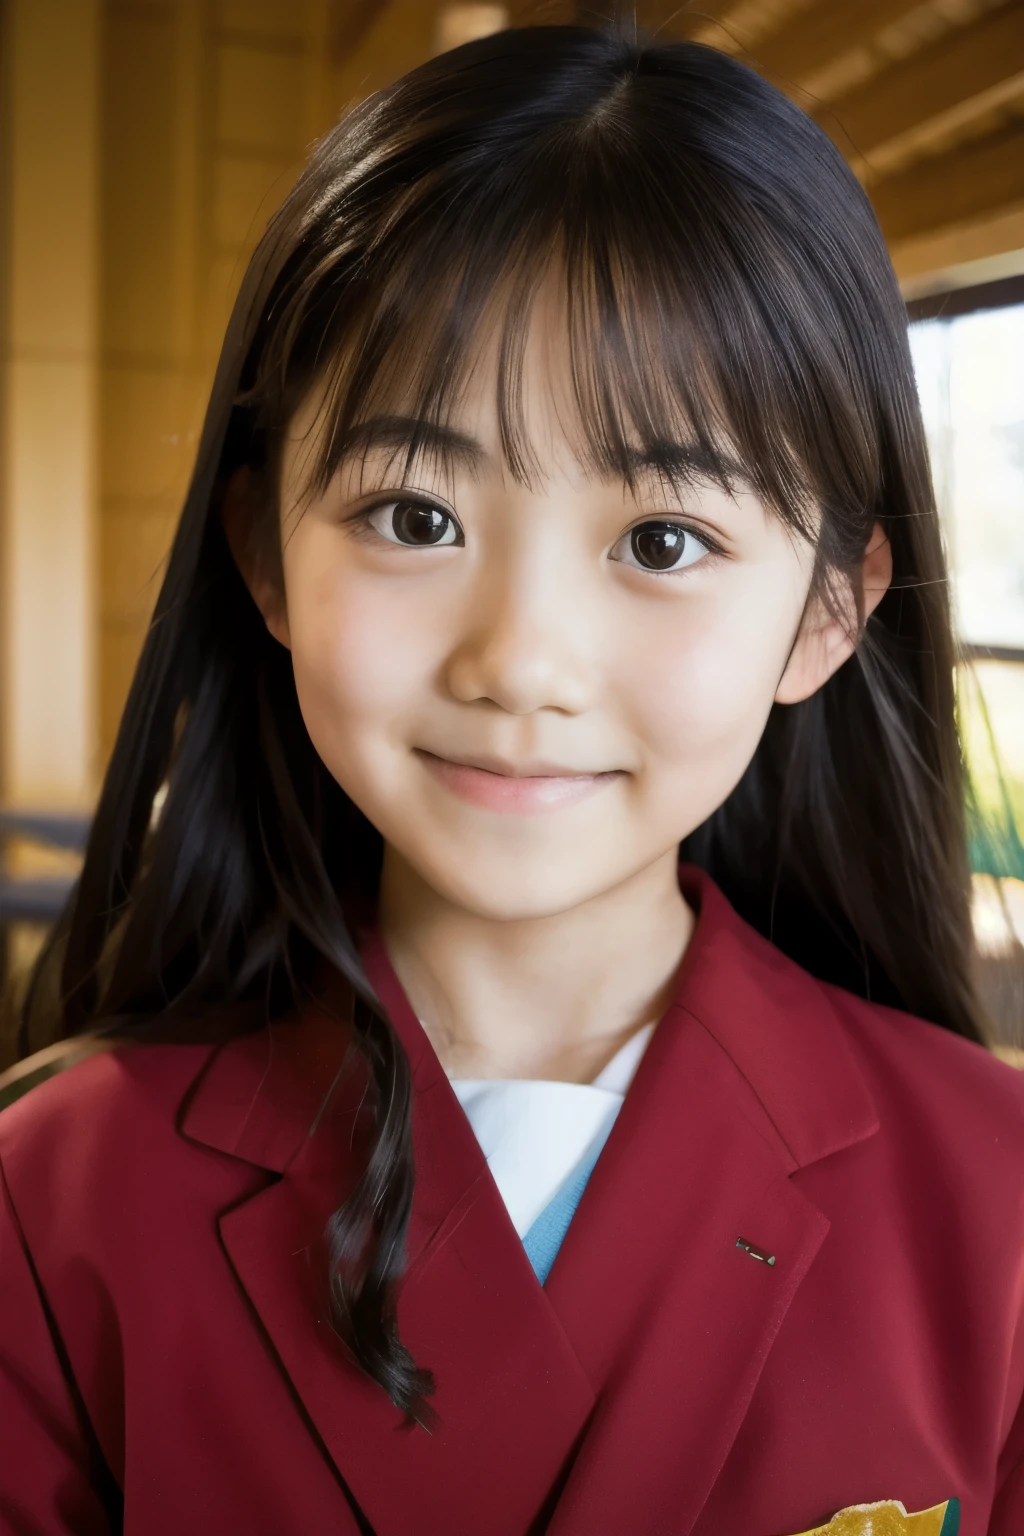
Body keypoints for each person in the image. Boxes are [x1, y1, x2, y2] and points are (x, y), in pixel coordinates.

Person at [1, 23, 1021, 1536]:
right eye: (415, 516)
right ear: (263, 558)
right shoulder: (48, 1206)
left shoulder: (997, 1202)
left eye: (662, 541)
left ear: (826, 611)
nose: (522, 661)